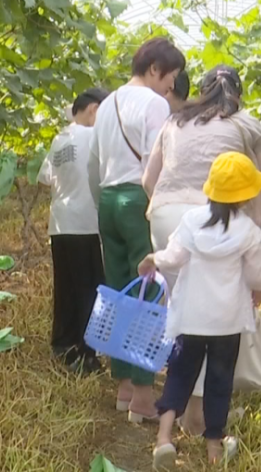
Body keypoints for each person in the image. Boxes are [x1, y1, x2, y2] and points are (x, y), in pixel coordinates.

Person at [142, 64, 261, 434]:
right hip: (213, 214)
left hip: (165, 216)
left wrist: (170, 218)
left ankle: (180, 409)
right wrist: (260, 227)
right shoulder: (245, 123)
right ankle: (199, 418)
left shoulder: (176, 120)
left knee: (187, 314)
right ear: (237, 95)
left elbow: (149, 179)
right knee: (216, 315)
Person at [138, 152, 261, 470]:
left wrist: (154, 259)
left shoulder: (193, 222)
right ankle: (213, 448)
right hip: (227, 321)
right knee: (219, 381)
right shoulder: (248, 231)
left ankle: (164, 439)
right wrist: (260, 290)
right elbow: (254, 276)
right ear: (246, 195)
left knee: (180, 375)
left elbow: (173, 257)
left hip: (190, 318)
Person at [88, 37, 186, 422]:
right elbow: (154, 166)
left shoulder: (108, 102)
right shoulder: (154, 103)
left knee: (117, 293)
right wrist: (155, 206)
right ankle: (145, 395)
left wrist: (105, 203)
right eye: (170, 77)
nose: (171, 87)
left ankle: (124, 386)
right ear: (154, 69)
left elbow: (94, 164)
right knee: (148, 293)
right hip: (136, 199)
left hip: (109, 202)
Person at [37, 87, 108, 374]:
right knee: (88, 290)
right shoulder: (93, 136)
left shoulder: (60, 138)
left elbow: (44, 178)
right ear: (93, 110)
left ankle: (63, 345)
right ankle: (86, 355)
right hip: (86, 223)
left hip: (60, 223)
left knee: (66, 286)